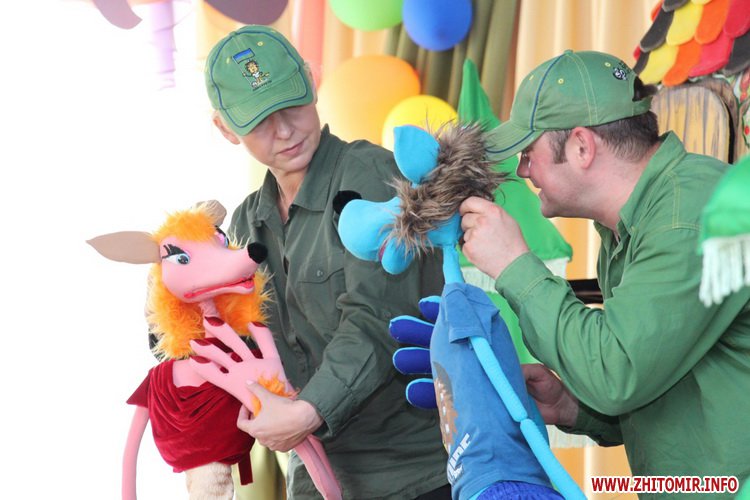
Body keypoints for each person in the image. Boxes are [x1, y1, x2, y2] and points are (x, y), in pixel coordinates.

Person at [459, 50, 750, 494]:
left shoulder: (687, 219)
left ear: (582, 146)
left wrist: (515, 265)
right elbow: (659, 377)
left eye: (528, 152)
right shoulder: (631, 225)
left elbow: (617, 372)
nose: (522, 170)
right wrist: (572, 406)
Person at [203, 25, 450, 499]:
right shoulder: (246, 222)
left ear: (311, 82)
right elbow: (237, 346)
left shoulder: (373, 175)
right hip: (316, 477)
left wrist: (306, 412)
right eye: (259, 119)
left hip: (416, 475)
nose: (284, 130)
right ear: (225, 128)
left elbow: (377, 318)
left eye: (290, 104)